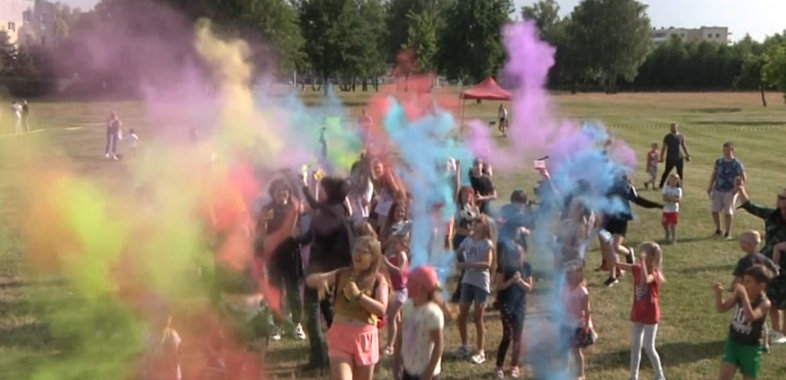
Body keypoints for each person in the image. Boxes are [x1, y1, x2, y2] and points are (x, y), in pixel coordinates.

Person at [305, 236, 389, 380]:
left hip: (365, 338)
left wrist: (358, 296)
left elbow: (381, 309)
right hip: (340, 335)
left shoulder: (379, 280)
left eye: (364, 252)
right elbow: (312, 280)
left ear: (373, 257)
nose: (358, 255)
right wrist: (320, 282)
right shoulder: (342, 274)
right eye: (356, 250)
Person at [300, 175, 354, 370]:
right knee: (327, 306)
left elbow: (315, 216)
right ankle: (343, 347)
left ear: (329, 192)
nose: (320, 192)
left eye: (322, 189)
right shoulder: (340, 210)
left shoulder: (328, 213)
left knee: (312, 311)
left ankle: (318, 357)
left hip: (319, 273)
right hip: (333, 272)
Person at [735, 179, 786, 347]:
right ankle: (777, 330)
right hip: (771, 264)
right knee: (771, 297)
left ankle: (785, 332)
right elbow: (750, 206)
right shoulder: (773, 215)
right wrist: (741, 188)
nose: (779, 199)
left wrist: (780, 247)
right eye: (779, 196)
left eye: (783, 198)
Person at [611, 242, 666, 380]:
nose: (641, 255)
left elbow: (644, 281)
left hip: (650, 315)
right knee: (635, 346)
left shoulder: (655, 274)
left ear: (652, 257)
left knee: (649, 347)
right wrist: (612, 258)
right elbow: (621, 265)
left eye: (644, 253)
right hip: (638, 313)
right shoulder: (637, 268)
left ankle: (659, 375)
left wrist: (641, 262)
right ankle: (633, 376)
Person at [263, 178, 307, 341]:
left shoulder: (295, 208)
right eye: (278, 191)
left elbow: (307, 213)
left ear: (289, 193)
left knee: (293, 292)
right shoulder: (268, 209)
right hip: (275, 257)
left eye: (285, 190)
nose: (282, 193)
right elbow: (263, 231)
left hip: (292, 255)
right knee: (276, 291)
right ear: (273, 193)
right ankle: (278, 324)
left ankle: (296, 323)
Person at [713, 265, 774, 380]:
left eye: (748, 282)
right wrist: (718, 294)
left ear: (761, 286)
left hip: (751, 347)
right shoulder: (739, 295)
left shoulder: (765, 303)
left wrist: (744, 296)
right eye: (743, 281)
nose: (744, 285)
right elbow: (722, 308)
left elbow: (750, 317)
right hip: (733, 342)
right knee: (724, 376)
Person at [455, 215, 495, 364]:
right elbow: (456, 253)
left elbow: (487, 264)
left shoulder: (487, 244)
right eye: (474, 221)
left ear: (485, 226)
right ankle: (464, 345)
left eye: (478, 221)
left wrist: (465, 265)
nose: (474, 223)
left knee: (478, 318)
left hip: (481, 283)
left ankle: (481, 351)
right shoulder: (468, 241)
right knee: (461, 314)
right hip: (468, 280)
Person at [394, 265, 445, 380]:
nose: (407, 283)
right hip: (408, 369)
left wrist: (428, 375)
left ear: (421, 287)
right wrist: (396, 362)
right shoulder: (407, 306)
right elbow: (400, 336)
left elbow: (438, 346)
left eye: (411, 281)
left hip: (425, 373)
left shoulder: (433, 313)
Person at [493, 243, 532, 380]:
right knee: (507, 335)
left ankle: (514, 365)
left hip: (520, 304)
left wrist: (520, 280)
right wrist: (511, 281)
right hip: (506, 303)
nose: (516, 260)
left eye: (518, 257)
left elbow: (529, 288)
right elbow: (499, 286)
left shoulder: (526, 267)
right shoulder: (502, 267)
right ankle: (498, 366)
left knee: (518, 336)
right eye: (513, 258)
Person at [561, 263, 596, 380]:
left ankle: (581, 374)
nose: (567, 276)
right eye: (566, 273)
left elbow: (587, 311)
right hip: (566, 323)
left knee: (576, 350)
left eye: (570, 273)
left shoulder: (582, 291)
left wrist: (586, 326)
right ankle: (565, 369)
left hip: (578, 325)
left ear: (578, 275)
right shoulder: (565, 288)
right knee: (564, 347)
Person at [708, 142, 746, 240]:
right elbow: (714, 174)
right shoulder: (719, 161)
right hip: (718, 189)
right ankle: (718, 230)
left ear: (732, 151)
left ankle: (728, 232)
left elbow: (743, 177)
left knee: (728, 212)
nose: (726, 152)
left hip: (730, 191)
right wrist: (710, 186)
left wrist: (736, 189)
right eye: (724, 150)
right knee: (715, 211)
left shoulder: (737, 164)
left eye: (728, 150)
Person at [450, 186, 481, 303]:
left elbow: (479, 223)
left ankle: (466, 294)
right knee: (466, 267)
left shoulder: (474, 209)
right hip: (460, 241)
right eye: (464, 194)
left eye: (469, 194)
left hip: (472, 242)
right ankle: (458, 295)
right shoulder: (458, 210)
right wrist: (470, 233)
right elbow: (457, 228)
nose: (467, 197)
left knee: (471, 268)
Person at [382, 233, 410, 356]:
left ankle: (390, 346)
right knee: (397, 319)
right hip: (394, 290)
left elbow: (400, 271)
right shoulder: (394, 255)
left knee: (391, 317)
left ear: (404, 246)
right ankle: (400, 341)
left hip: (401, 291)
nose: (393, 245)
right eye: (392, 243)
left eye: (396, 243)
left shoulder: (402, 255)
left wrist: (386, 263)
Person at [658, 123, 691, 189]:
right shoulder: (668, 137)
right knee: (667, 172)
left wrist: (688, 155)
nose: (672, 129)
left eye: (674, 128)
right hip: (670, 158)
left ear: (677, 128)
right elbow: (664, 147)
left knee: (680, 172)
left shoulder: (681, 136)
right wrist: (662, 157)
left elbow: (684, 146)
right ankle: (661, 185)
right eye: (671, 128)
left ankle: (680, 186)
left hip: (679, 158)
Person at [662, 173, 683, 244]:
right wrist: (673, 198)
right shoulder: (666, 187)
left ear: (678, 181)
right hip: (666, 209)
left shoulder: (678, 189)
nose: (673, 181)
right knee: (664, 223)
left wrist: (669, 198)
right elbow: (664, 198)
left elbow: (678, 200)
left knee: (673, 224)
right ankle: (667, 232)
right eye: (671, 179)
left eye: (675, 180)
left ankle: (673, 238)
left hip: (674, 210)